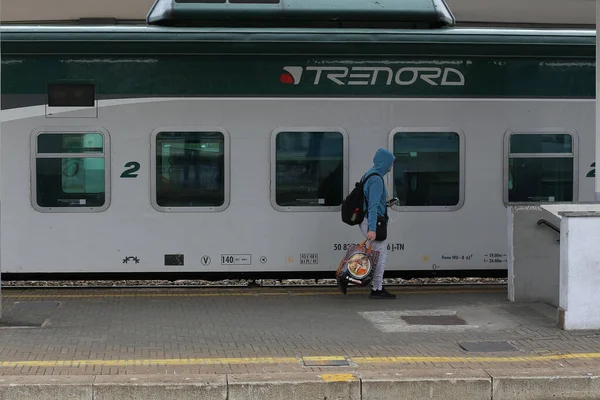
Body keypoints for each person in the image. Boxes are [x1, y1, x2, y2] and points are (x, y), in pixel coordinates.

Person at [360, 148, 397, 299]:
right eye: (391, 162)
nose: (392, 165)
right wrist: (372, 229)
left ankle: (376, 286)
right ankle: (377, 289)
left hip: (368, 219)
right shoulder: (377, 179)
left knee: (377, 254)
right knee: (381, 255)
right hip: (373, 221)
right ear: (384, 162)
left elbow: (371, 200)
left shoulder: (369, 174)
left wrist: (387, 203)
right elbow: (373, 206)